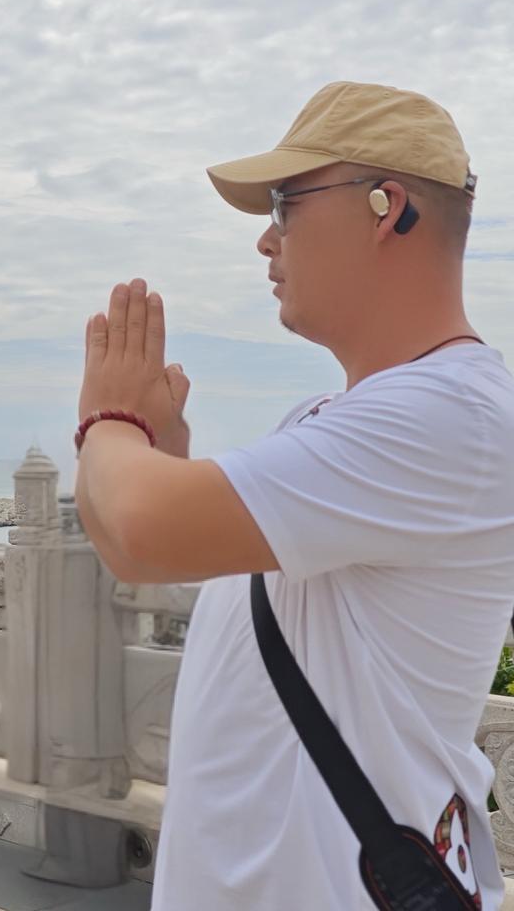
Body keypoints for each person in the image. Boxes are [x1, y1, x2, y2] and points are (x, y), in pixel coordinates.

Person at [74, 81, 514, 909]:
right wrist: (158, 457)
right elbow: (144, 544)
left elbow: (136, 528)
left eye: (286, 204)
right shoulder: (327, 417)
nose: (266, 240)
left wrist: (109, 421)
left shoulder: (450, 414)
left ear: (387, 208)